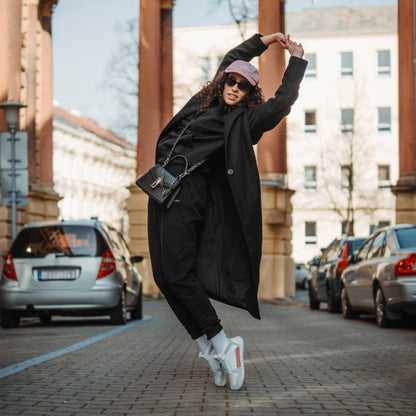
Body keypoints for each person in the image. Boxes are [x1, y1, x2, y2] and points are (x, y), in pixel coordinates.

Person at [147, 32, 307, 390]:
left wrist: (295, 63)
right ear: (222, 81)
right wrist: (265, 40)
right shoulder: (203, 103)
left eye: (243, 86)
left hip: (188, 193)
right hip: (161, 189)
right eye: (231, 81)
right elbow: (234, 55)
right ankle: (209, 348)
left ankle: (224, 343)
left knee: (179, 273)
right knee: (163, 275)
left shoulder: (240, 123)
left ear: (249, 94)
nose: (234, 88)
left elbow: (281, 104)